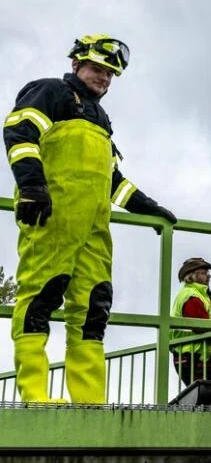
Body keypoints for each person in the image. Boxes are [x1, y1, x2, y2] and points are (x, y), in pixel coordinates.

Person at [3, 34, 177, 404]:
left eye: (110, 74)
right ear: (76, 65)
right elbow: (19, 135)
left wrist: (148, 207)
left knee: (94, 308)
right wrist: (32, 187)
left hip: (95, 229)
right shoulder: (47, 92)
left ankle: (89, 401)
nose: (104, 79)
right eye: (98, 69)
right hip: (53, 216)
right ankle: (35, 396)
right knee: (39, 300)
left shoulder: (100, 118)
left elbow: (111, 179)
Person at [170, 257, 211, 387]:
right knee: (206, 397)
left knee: (206, 397)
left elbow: (206, 320)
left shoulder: (198, 294)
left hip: (197, 355)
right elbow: (201, 326)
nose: (208, 276)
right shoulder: (191, 296)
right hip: (191, 356)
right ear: (192, 275)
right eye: (204, 272)